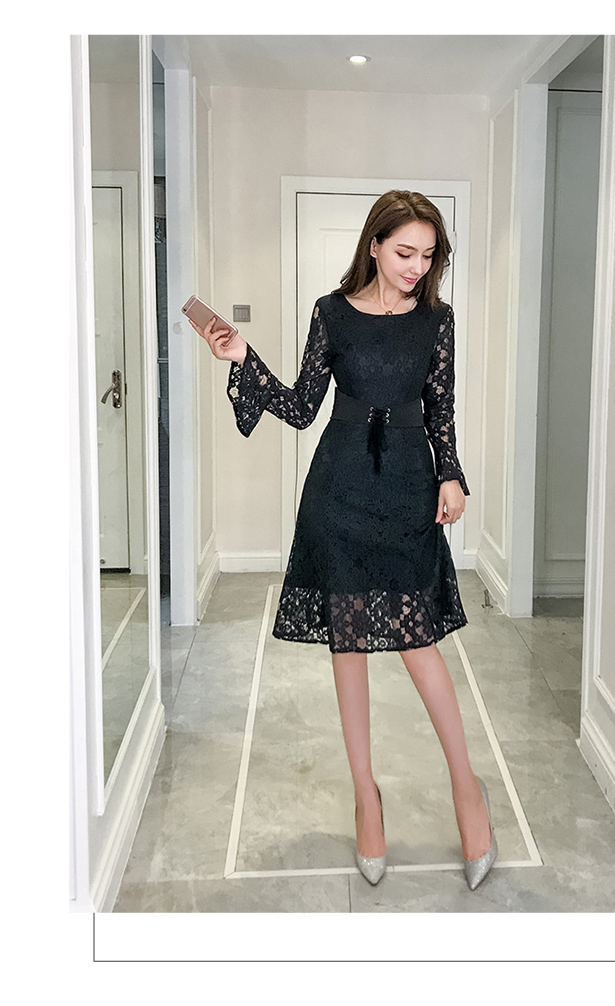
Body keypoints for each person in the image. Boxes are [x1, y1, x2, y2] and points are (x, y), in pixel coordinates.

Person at [190, 190, 497, 890]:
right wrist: (242, 356)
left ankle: (467, 789)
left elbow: (441, 410)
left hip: (409, 488)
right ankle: (367, 797)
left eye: (428, 256)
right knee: (348, 645)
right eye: (405, 252)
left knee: (419, 643)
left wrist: (451, 474)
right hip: (341, 490)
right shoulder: (331, 313)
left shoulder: (437, 321)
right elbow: (302, 406)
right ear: (374, 246)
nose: (417, 267)